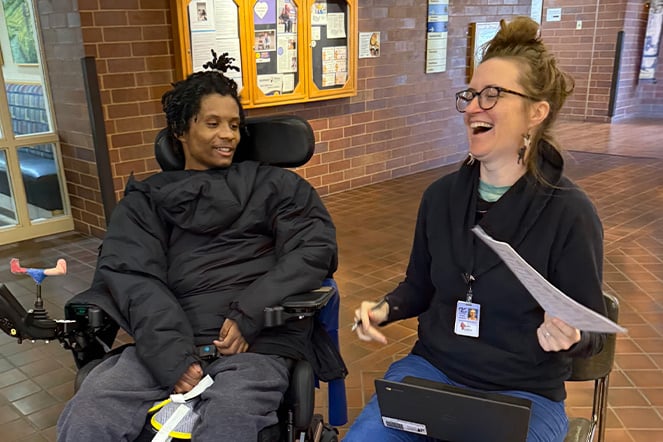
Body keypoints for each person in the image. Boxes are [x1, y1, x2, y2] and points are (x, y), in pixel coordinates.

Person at [344, 16, 607, 442]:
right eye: (470, 95)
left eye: (492, 95)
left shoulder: (569, 213)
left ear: (536, 113)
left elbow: (592, 330)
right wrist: (384, 308)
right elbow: (420, 286)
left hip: (523, 392)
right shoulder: (440, 197)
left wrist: (572, 334)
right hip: (433, 370)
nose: (472, 107)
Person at [57, 50, 340, 441]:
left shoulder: (278, 186)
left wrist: (249, 313)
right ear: (180, 130)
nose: (228, 135)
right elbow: (132, 276)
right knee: (91, 410)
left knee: (230, 419)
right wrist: (173, 357)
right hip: (167, 342)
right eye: (213, 123)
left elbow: (312, 250)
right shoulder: (145, 200)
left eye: (234, 125)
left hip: (254, 344)